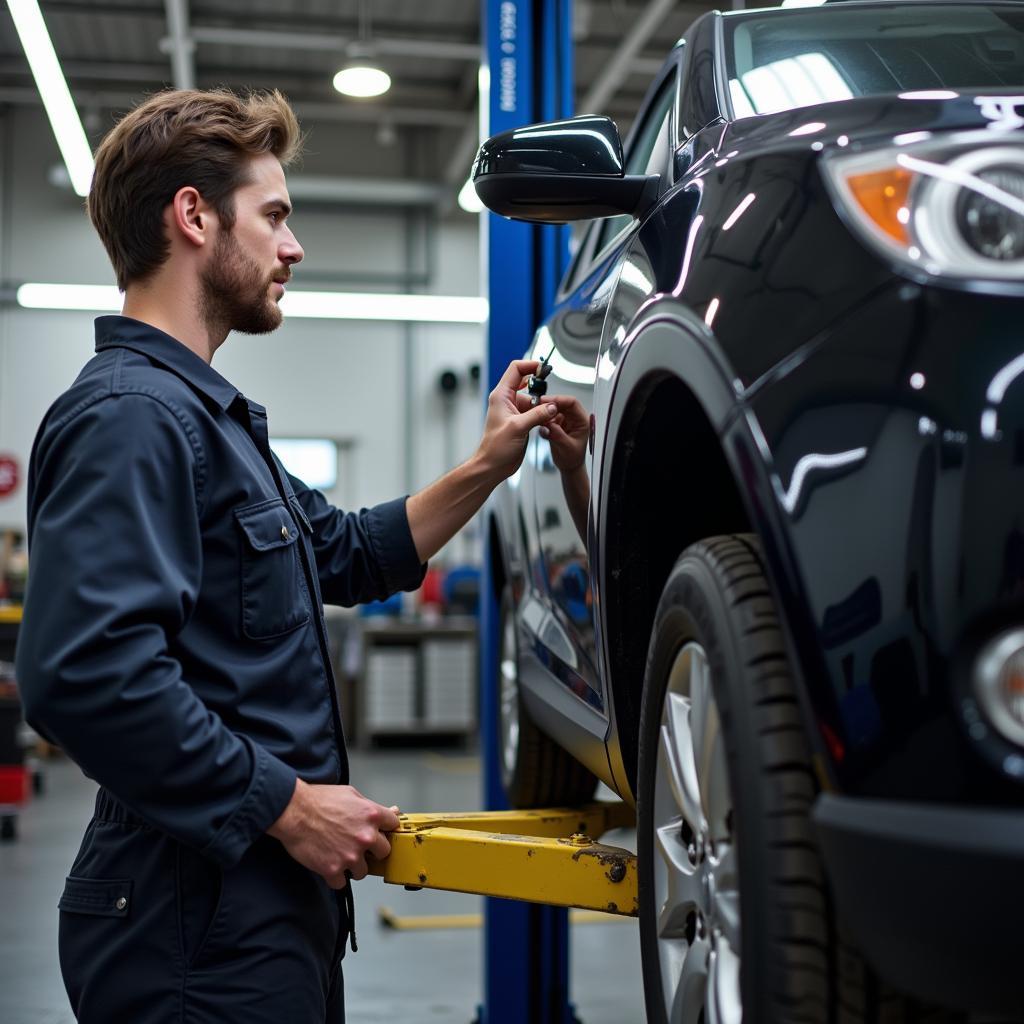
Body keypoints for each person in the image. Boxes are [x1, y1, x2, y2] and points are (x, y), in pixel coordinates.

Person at [15, 88, 579, 1024]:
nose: (293, 245)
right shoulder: (131, 418)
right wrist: (289, 806)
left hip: (257, 905)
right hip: (190, 924)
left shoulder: (212, 423)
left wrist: (488, 465)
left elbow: (346, 553)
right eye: (273, 215)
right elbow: (82, 675)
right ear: (193, 217)